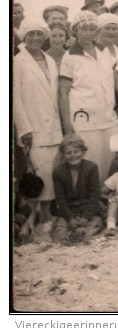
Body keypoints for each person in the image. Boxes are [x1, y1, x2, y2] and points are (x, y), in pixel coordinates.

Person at [59, 11, 118, 184]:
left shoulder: (104, 51)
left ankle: (105, 197)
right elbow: (63, 92)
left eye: (91, 29)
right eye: (83, 29)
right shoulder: (70, 56)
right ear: (75, 31)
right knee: (89, 161)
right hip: (83, 120)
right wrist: (67, 127)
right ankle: (87, 200)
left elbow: (115, 79)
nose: (88, 33)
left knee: (110, 159)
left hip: (108, 117)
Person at [14, 19, 63, 230]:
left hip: (54, 127)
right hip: (33, 128)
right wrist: (24, 128)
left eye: (38, 34)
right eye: (30, 34)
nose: (35, 38)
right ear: (24, 37)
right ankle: (35, 219)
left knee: (52, 172)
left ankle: (46, 216)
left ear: (44, 36)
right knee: (38, 174)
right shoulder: (18, 62)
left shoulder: (50, 60)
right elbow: (14, 98)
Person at [51, 134, 104, 244]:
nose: (73, 155)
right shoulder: (58, 172)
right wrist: (69, 218)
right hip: (69, 210)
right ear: (63, 155)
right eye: (68, 153)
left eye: (76, 151)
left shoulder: (91, 167)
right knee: (60, 230)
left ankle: (81, 234)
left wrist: (86, 216)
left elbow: (95, 195)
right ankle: (71, 236)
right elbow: (60, 198)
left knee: (95, 223)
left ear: (83, 152)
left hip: (88, 209)